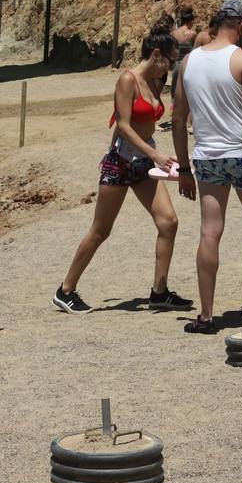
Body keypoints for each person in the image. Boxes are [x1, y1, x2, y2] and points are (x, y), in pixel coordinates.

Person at [53, 19, 193, 315]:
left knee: (168, 222)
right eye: (168, 61)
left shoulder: (157, 81)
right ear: (156, 55)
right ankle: (65, 290)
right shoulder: (127, 80)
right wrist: (155, 155)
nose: (170, 67)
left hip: (144, 162)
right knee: (101, 230)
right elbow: (124, 126)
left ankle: (159, 291)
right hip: (120, 162)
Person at [172, 0, 242, 334]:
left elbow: (178, 119)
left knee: (209, 232)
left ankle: (205, 316)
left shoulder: (188, 62)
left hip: (205, 157)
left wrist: (185, 169)